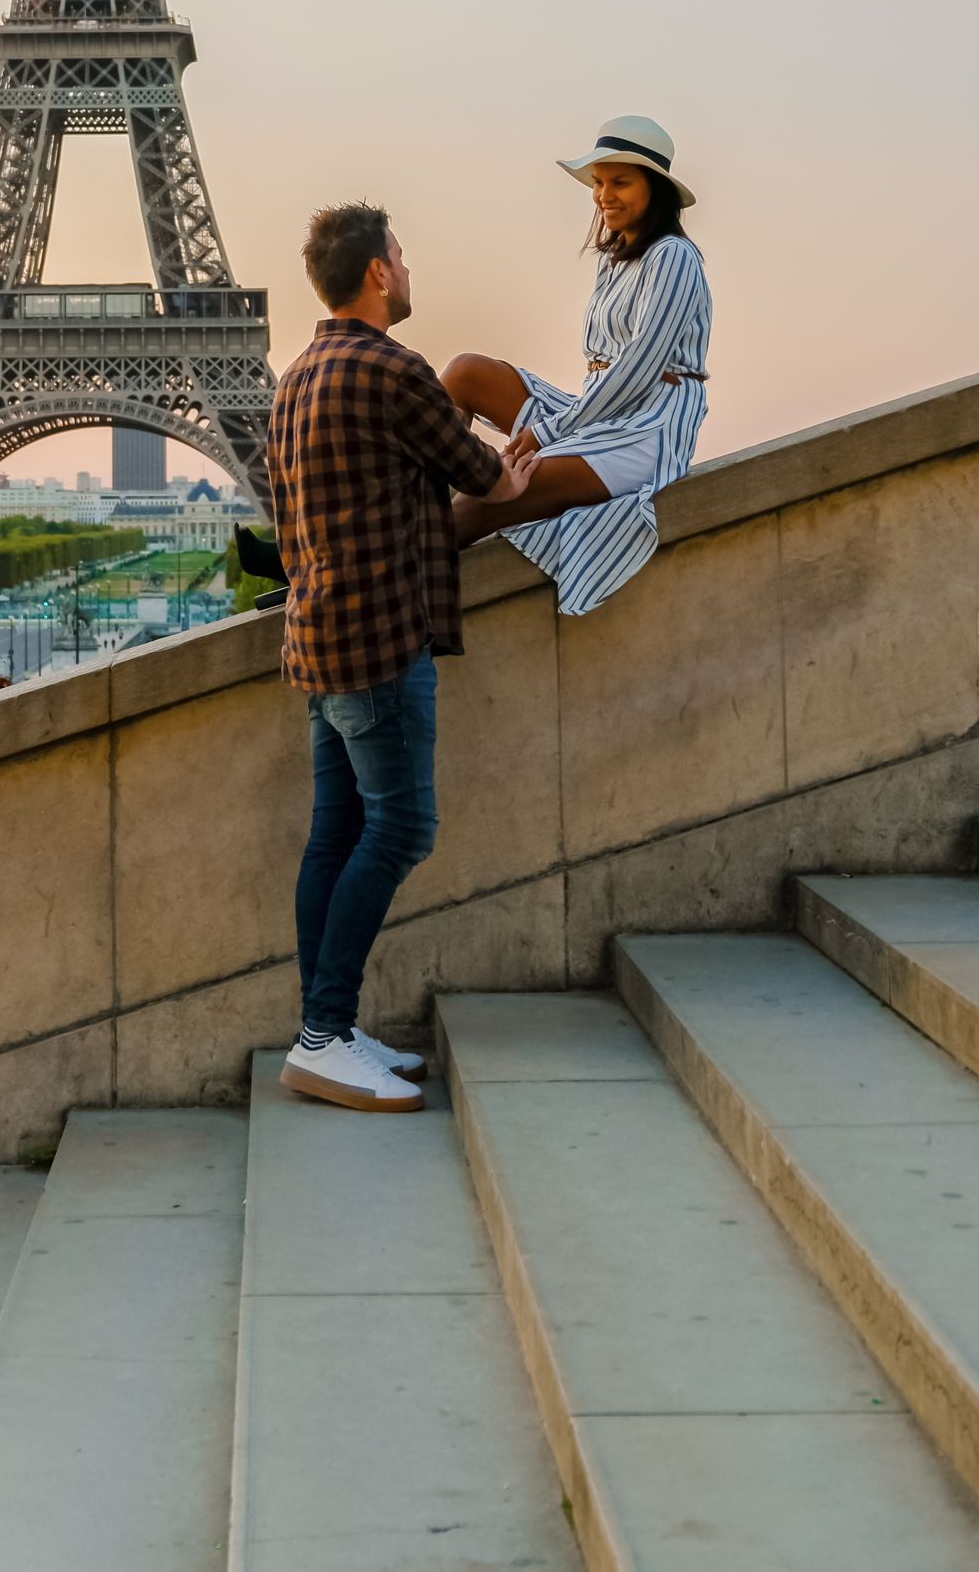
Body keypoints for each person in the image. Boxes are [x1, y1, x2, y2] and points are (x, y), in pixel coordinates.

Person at [265, 202, 526, 1113]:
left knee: (334, 836)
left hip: (315, 641)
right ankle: (324, 1037)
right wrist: (521, 467)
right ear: (378, 272)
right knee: (402, 830)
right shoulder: (390, 369)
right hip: (380, 642)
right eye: (402, 259)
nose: (408, 273)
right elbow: (485, 475)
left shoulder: (296, 378)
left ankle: (324, 1028)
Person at [444, 115, 711, 615]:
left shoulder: (674, 257)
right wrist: (560, 425)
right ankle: (400, 507)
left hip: (646, 428)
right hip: (598, 411)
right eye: (599, 182)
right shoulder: (614, 261)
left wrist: (550, 432)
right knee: (465, 372)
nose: (604, 195)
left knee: (497, 494)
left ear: (656, 189)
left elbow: (637, 370)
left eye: (620, 182)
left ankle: (352, 560)